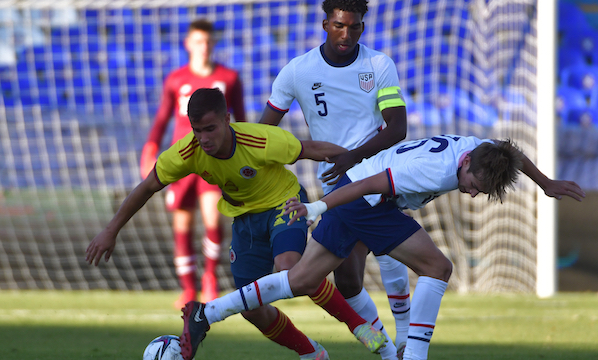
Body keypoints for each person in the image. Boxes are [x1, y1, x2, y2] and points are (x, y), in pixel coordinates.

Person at [178, 135, 586, 360]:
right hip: (365, 199)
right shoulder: (430, 169)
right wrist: (315, 206)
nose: (473, 194)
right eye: (473, 186)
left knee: (303, 279)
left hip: (359, 195)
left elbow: (510, 150)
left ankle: (207, 312)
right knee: (438, 268)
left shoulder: (483, 150)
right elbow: (372, 186)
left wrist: (545, 183)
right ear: (464, 166)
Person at [86, 88, 387, 360]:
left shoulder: (259, 139)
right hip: (244, 220)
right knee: (252, 309)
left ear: (227, 119)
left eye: (210, 129)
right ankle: (312, 353)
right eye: (197, 130)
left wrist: (368, 171)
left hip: (284, 203)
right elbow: (148, 185)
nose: (203, 138)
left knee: (290, 269)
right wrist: (111, 230)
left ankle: (359, 326)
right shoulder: (187, 152)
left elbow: (315, 150)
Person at [259, 1, 410, 357]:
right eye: (340, 26)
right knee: (346, 281)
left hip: (376, 173)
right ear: (326, 24)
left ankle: (403, 341)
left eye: (355, 27)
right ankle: (389, 348)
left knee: (389, 250)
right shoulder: (298, 71)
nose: (347, 34)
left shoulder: (378, 64)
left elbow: (398, 127)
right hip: (334, 186)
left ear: (362, 26)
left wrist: (354, 156)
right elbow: (264, 133)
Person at [140, 19, 246, 308]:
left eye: (208, 41)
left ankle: (209, 278)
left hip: (215, 160)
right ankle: (188, 289)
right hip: (182, 160)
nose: (204, 47)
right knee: (182, 224)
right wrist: (150, 148)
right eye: (198, 41)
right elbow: (162, 118)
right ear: (188, 44)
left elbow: (242, 119)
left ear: (214, 44)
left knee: (213, 220)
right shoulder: (176, 79)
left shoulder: (229, 78)